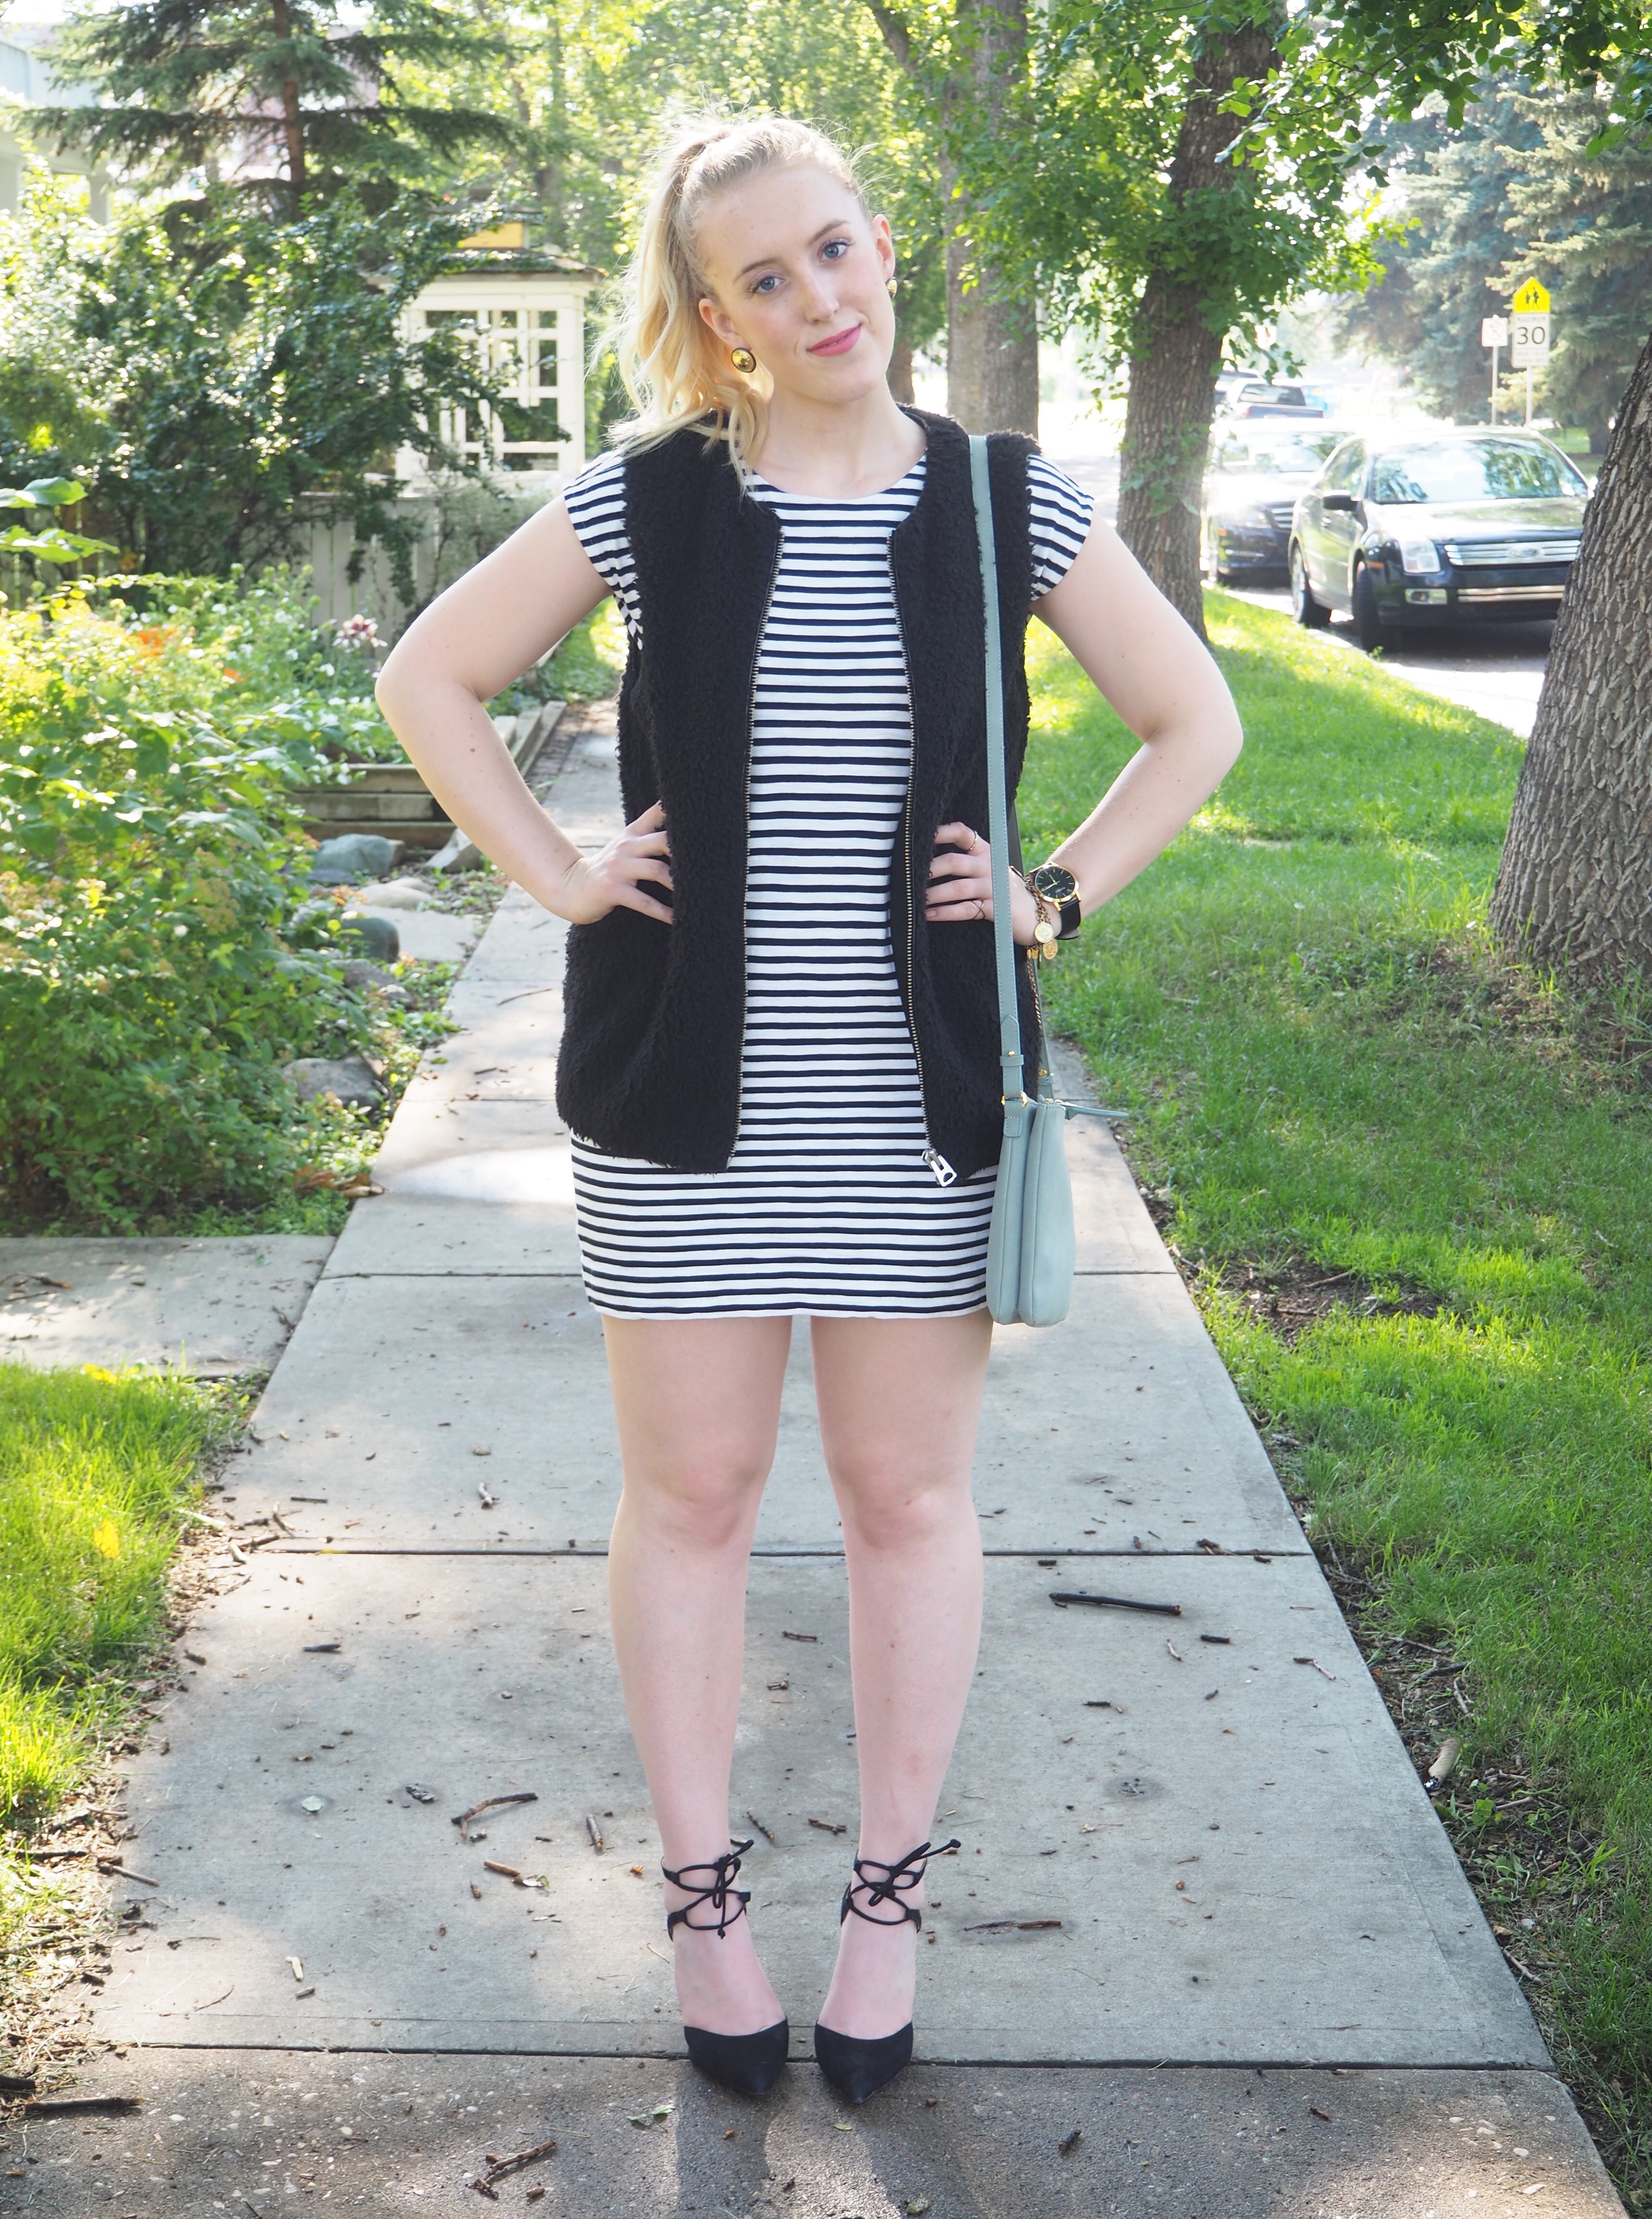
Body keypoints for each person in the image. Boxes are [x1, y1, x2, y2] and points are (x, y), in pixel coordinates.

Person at [375, 113, 1241, 2105]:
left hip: (918, 1102)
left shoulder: (1004, 506)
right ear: (717, 320)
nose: (820, 297)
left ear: (882, 256)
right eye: (766, 278)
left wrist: (1057, 891)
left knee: (905, 1503)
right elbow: (431, 680)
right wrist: (563, 873)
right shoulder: (646, 507)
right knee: (689, 1503)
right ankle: (703, 1913)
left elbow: (1197, 722)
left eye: (837, 250)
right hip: (688, 1109)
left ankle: (885, 1914)